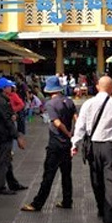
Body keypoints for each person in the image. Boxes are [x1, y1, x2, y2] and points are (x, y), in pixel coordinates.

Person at [71, 75, 112, 223]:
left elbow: (80, 125)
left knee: (96, 178)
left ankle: (101, 207)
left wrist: (75, 143)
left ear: (97, 87)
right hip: (110, 146)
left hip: (93, 146)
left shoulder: (88, 103)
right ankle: (110, 217)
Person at [21, 76, 77, 212]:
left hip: (56, 143)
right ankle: (67, 200)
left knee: (49, 175)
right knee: (66, 174)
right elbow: (77, 117)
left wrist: (67, 133)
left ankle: (37, 203)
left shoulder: (50, 104)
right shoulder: (69, 101)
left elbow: (56, 123)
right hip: (67, 145)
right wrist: (74, 133)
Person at [0, 78, 27, 195]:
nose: (11, 88)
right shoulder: (1, 101)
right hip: (3, 134)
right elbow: (7, 119)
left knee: (7, 159)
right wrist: (18, 137)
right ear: (4, 88)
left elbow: (10, 114)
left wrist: (13, 115)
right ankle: (0, 187)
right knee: (3, 160)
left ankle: (13, 183)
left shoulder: (3, 99)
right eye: (9, 86)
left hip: (4, 133)